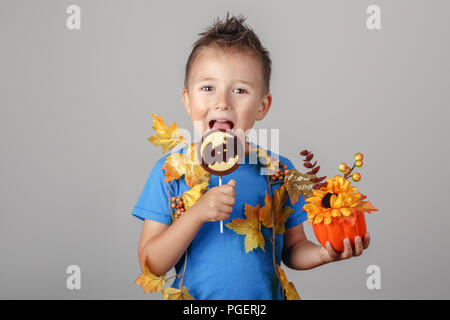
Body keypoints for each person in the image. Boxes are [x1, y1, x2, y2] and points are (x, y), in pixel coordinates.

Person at [131, 13, 370, 300]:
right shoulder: (169, 173)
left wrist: (323, 253)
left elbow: (293, 250)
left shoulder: (281, 172)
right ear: (187, 100)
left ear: (261, 106)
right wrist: (196, 214)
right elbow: (152, 264)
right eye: (208, 88)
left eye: (240, 90)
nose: (222, 102)